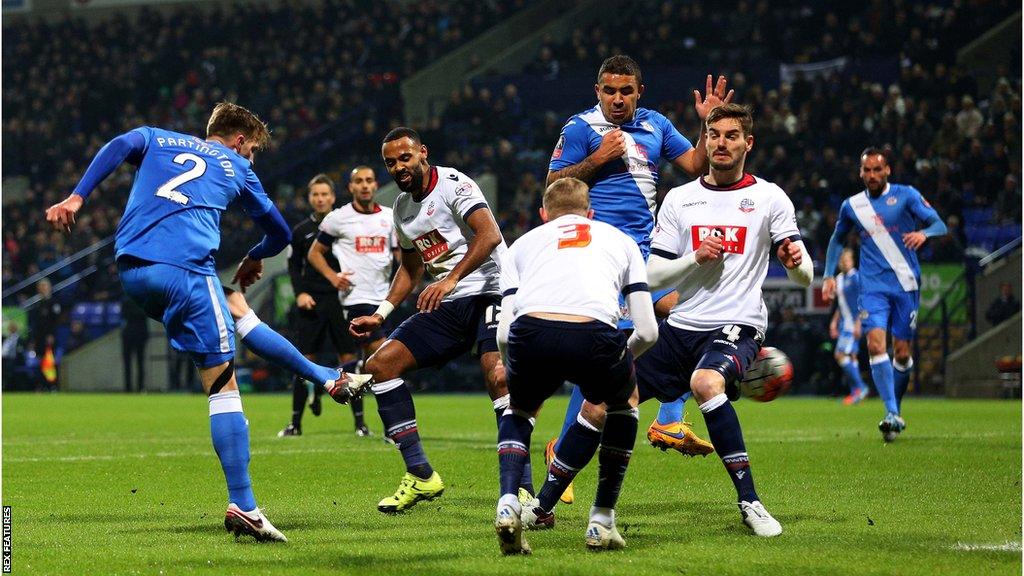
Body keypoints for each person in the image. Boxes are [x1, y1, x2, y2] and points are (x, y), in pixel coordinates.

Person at [44, 102, 367, 542]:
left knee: (235, 305)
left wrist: (77, 196)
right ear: (239, 141)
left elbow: (120, 144)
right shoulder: (237, 164)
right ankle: (245, 504)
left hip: (134, 270)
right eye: (253, 149)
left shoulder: (156, 136)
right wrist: (255, 256)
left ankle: (327, 377)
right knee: (222, 386)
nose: (251, 158)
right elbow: (281, 234)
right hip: (185, 271)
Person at [525, 103, 812, 538]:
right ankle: (543, 505)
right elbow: (654, 273)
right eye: (713, 134)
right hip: (679, 328)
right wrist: (694, 258)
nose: (721, 143)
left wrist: (795, 263)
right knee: (600, 401)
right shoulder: (681, 199)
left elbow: (803, 272)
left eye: (731, 135)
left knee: (706, 384)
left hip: (736, 323)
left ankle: (751, 503)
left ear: (747, 144)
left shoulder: (770, 198)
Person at [544, 56, 729, 497]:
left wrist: (708, 124)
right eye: (610, 90)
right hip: (600, 253)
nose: (618, 98)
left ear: (639, 92)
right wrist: (595, 159)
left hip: (646, 253)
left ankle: (666, 420)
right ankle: (566, 447)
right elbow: (553, 185)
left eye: (626, 91)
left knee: (688, 317)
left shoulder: (656, 125)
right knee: (613, 351)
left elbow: (695, 164)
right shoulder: (580, 129)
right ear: (597, 91)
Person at [349, 127, 529, 513]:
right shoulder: (402, 208)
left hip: (493, 291)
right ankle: (421, 475)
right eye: (391, 162)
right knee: (380, 363)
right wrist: (379, 314)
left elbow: (490, 235)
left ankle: (524, 489)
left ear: (422, 153)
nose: (399, 167)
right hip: (449, 303)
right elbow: (410, 269)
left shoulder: (453, 184)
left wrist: (450, 278)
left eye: (405, 158)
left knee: (498, 377)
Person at [494, 178, 658, 554]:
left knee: (519, 411)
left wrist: (514, 367)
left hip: (530, 333)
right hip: (594, 336)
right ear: (591, 212)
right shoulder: (620, 240)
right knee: (623, 403)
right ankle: (601, 520)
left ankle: (507, 503)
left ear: (542, 215)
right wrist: (620, 363)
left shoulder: (521, 245)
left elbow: (504, 333)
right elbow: (648, 331)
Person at [822, 148, 946, 442]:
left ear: (887, 170)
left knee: (902, 352)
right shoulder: (852, 206)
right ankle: (890, 412)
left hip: (906, 284)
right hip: (873, 286)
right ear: (860, 173)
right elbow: (837, 239)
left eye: (878, 170)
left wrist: (923, 235)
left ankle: (896, 409)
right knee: (876, 344)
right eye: (867, 170)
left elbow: (938, 224)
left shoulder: (907, 195)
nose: (873, 175)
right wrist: (828, 275)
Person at [277, 173, 370, 438]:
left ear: (333, 197)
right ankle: (295, 424)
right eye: (315, 195)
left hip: (341, 300)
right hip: (313, 302)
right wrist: (300, 293)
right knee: (304, 361)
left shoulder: (345, 224)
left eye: (324, 194)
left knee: (349, 361)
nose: (320, 199)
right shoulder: (301, 231)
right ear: (310, 198)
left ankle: (360, 424)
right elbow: (294, 266)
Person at [308, 166, 399, 436]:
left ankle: (332, 378)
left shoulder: (390, 217)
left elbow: (398, 254)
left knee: (376, 365)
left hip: (385, 299)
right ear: (351, 187)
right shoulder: (338, 219)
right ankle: (392, 428)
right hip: (356, 299)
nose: (365, 186)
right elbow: (315, 253)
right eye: (359, 181)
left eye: (369, 181)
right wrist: (333, 277)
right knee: (386, 359)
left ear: (376, 185)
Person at [829, 248, 868, 404]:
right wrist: (834, 321)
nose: (844, 263)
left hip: (853, 324)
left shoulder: (857, 278)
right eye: (842, 261)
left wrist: (859, 323)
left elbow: (863, 302)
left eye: (847, 260)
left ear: (852, 261)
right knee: (851, 356)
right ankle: (855, 393)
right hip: (844, 324)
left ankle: (861, 387)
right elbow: (841, 304)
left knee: (840, 355)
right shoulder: (839, 279)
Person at [121, 296, 150, 393]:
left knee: (130, 363)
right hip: (139, 333)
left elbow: (124, 315)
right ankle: (139, 388)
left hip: (129, 334)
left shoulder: (127, 301)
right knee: (139, 362)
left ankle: (128, 388)